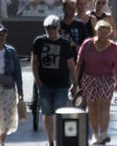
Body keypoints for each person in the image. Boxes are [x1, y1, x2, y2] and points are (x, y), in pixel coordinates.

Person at [32, 15, 77, 143]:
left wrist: (75, 82)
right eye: (47, 28)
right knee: (47, 113)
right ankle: (51, 140)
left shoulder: (64, 43)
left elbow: (71, 64)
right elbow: (34, 61)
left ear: (58, 28)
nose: (50, 30)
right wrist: (37, 79)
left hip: (62, 84)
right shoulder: (39, 42)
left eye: (52, 28)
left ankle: (59, 139)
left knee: (60, 112)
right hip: (44, 83)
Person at [76, 20, 117, 144]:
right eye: (101, 32)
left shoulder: (113, 47)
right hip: (89, 78)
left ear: (109, 34)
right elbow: (79, 63)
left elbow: (116, 66)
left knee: (105, 106)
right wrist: (76, 81)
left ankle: (104, 132)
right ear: (96, 31)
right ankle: (95, 134)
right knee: (92, 107)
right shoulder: (87, 44)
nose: (103, 35)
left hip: (106, 78)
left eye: (106, 33)